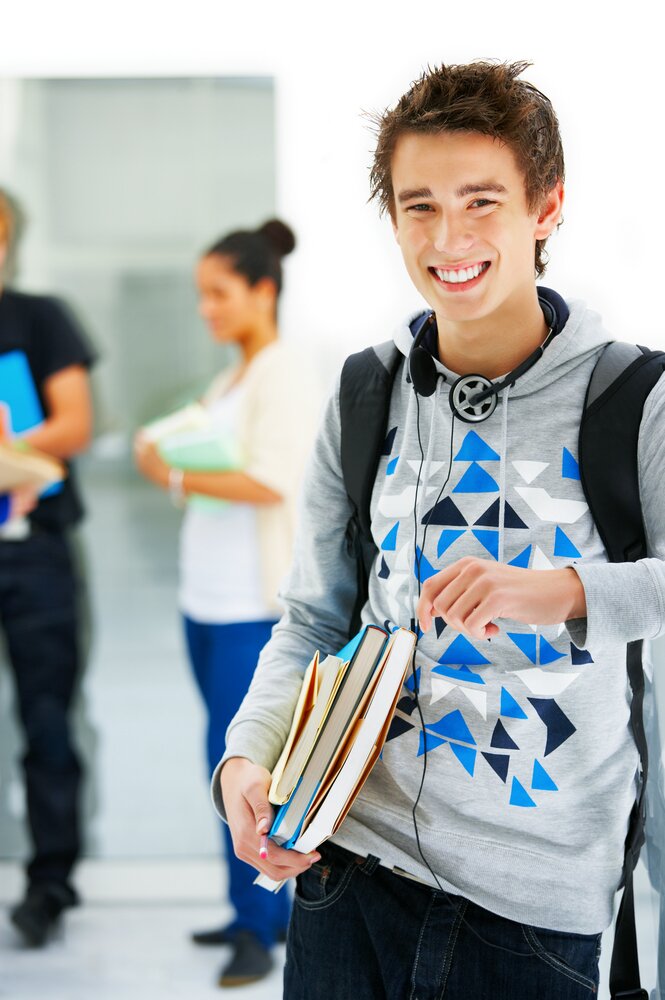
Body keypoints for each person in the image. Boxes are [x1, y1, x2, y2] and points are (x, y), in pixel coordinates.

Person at [214, 61, 665, 999]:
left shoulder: (635, 398)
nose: (447, 237)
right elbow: (312, 618)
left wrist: (563, 591)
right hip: (347, 871)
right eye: (418, 206)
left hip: (532, 909)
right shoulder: (364, 393)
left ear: (545, 208)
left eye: (480, 202)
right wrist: (245, 755)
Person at [134, 219, 320, 988]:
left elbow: (272, 481)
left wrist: (171, 474)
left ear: (262, 291)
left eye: (219, 293)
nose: (205, 308)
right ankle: (250, 912)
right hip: (205, 603)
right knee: (222, 759)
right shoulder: (234, 377)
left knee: (244, 766)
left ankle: (260, 922)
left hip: (251, 607)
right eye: (201, 295)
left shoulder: (283, 372)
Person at [0, 189, 95, 947]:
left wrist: (10, 448)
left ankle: (49, 886)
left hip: (34, 554)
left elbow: (75, 423)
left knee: (47, 720)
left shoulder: (40, 319)